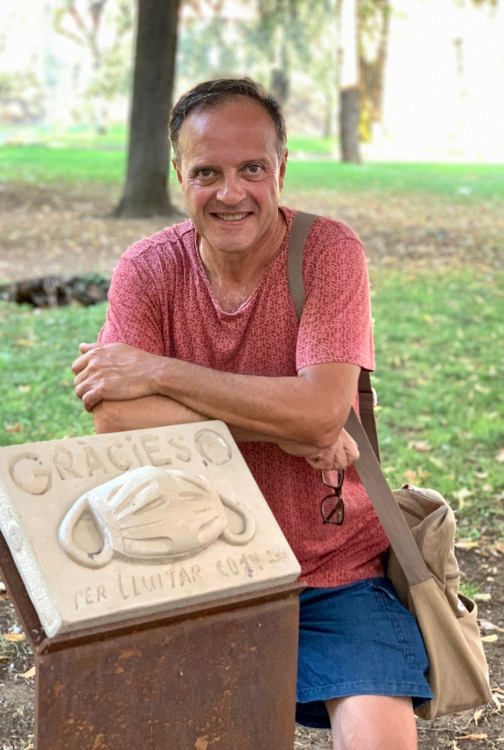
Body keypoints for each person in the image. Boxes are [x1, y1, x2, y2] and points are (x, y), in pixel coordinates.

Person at [71, 78, 431, 749]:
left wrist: (158, 372)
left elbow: (324, 412)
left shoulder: (326, 252)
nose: (230, 193)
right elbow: (114, 419)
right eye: (207, 172)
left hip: (333, 569)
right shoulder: (148, 269)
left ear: (282, 169)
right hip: (195, 565)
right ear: (180, 175)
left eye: (252, 169)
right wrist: (291, 427)